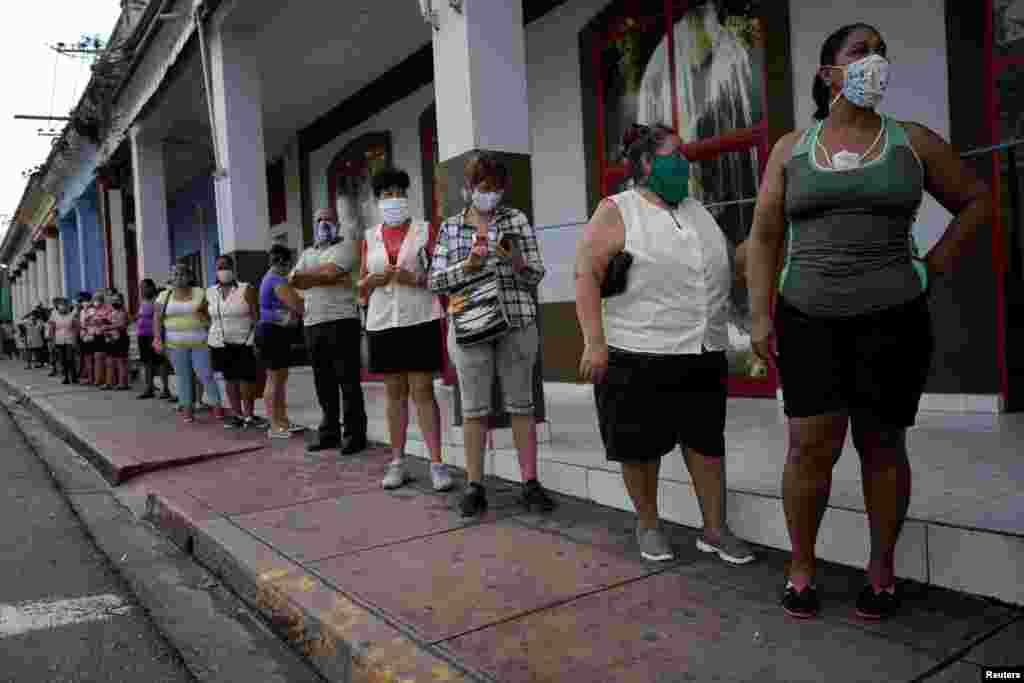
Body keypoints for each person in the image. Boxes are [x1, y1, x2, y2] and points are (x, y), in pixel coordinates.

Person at [745, 24, 993, 620]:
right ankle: (801, 565)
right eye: (861, 52)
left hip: (893, 320)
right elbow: (764, 236)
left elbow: (979, 201)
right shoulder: (791, 149)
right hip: (808, 318)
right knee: (810, 447)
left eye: (882, 50)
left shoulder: (913, 143)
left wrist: (932, 266)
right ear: (829, 74)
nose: (874, 60)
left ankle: (881, 568)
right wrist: (758, 316)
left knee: (883, 444)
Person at [575, 123, 756, 566]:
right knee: (640, 448)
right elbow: (586, 273)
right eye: (675, 154)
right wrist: (593, 343)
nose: (685, 162)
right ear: (647, 162)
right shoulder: (618, 209)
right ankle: (649, 524)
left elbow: (723, 267)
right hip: (637, 351)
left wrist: (763, 240)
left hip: (701, 350)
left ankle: (715, 529)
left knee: (707, 444)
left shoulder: (698, 212)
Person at [428, 153, 555, 517]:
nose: (492, 194)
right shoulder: (451, 228)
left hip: (515, 322)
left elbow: (536, 274)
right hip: (469, 326)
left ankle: (530, 483)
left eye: (498, 187)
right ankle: (474, 486)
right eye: (484, 187)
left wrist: (518, 264)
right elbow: (434, 279)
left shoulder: (516, 219)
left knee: (521, 404)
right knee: (474, 409)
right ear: (469, 189)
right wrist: (465, 265)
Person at [359, 167, 453, 492]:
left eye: (399, 192)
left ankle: (437, 463)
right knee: (394, 394)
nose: (393, 199)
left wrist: (417, 279)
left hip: (420, 318)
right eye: (386, 194)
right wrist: (372, 281)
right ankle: (397, 462)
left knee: (423, 391)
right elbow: (360, 288)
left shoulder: (426, 231)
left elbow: (441, 275)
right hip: (383, 321)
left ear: (406, 195)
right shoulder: (369, 237)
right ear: (377, 200)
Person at [289, 207, 368, 454]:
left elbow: (332, 272)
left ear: (337, 224)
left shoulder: (346, 247)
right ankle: (329, 433)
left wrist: (311, 276)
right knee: (323, 382)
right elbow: (294, 280)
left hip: (342, 321)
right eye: (320, 220)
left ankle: (354, 435)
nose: (324, 224)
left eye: (329, 220)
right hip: (313, 323)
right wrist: (321, 276)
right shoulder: (308, 253)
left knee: (348, 381)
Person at [153, 261, 225, 423]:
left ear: (189, 277)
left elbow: (210, 315)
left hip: (200, 343)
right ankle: (187, 410)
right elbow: (157, 319)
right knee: (183, 377)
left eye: (182, 274)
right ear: (171, 278)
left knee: (206, 375)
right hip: (175, 345)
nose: (178, 277)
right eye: (175, 274)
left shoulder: (200, 293)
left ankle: (217, 407)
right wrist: (157, 338)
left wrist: (206, 322)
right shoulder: (164, 296)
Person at [204, 255, 268, 430]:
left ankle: (249, 415)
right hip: (219, 343)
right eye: (219, 267)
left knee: (246, 379)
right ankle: (236, 415)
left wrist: (256, 341)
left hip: (244, 341)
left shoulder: (246, 289)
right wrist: (209, 330)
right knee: (229, 379)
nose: (222, 270)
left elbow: (256, 318)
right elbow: (204, 314)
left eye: (225, 266)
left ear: (233, 269)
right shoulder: (210, 291)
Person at [257, 244, 305, 438]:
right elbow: (297, 305)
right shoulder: (276, 280)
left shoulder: (272, 278)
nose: (289, 269)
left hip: (277, 332)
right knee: (274, 378)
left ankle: (282, 420)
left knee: (280, 379)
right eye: (288, 264)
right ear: (283, 263)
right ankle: (274, 425)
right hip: (271, 333)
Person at [136, 279, 174, 400]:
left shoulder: (158, 300)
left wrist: (159, 337)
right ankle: (149, 388)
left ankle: (165, 389)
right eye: (140, 287)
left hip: (154, 336)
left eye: (144, 287)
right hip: (142, 335)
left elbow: (160, 318)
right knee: (146, 363)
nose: (141, 290)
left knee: (160, 363)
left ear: (151, 288)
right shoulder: (143, 301)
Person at [104, 291, 131, 390]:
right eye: (113, 300)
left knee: (121, 361)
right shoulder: (111, 312)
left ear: (122, 301)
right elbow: (107, 322)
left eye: (117, 300)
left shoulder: (124, 312)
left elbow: (122, 325)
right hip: (110, 338)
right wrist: (105, 326)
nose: (115, 302)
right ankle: (109, 382)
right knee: (109, 361)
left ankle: (123, 383)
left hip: (121, 338)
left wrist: (109, 326)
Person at [48, 298, 78, 384]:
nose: (62, 307)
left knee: (70, 358)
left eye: (64, 305)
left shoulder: (72, 315)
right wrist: (52, 340)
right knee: (62, 360)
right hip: (59, 340)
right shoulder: (54, 315)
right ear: (58, 307)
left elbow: (76, 328)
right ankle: (65, 377)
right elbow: (52, 329)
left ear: (67, 306)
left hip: (70, 339)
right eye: (61, 305)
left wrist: (75, 339)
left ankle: (73, 376)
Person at [89, 290, 112, 388]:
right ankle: (98, 379)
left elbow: (109, 320)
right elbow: (91, 321)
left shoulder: (108, 308)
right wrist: (91, 321)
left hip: (105, 335)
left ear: (102, 300)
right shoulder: (94, 310)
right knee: (97, 357)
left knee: (106, 358)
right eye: (94, 300)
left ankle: (107, 380)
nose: (96, 302)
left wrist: (102, 320)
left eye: (97, 300)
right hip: (96, 335)